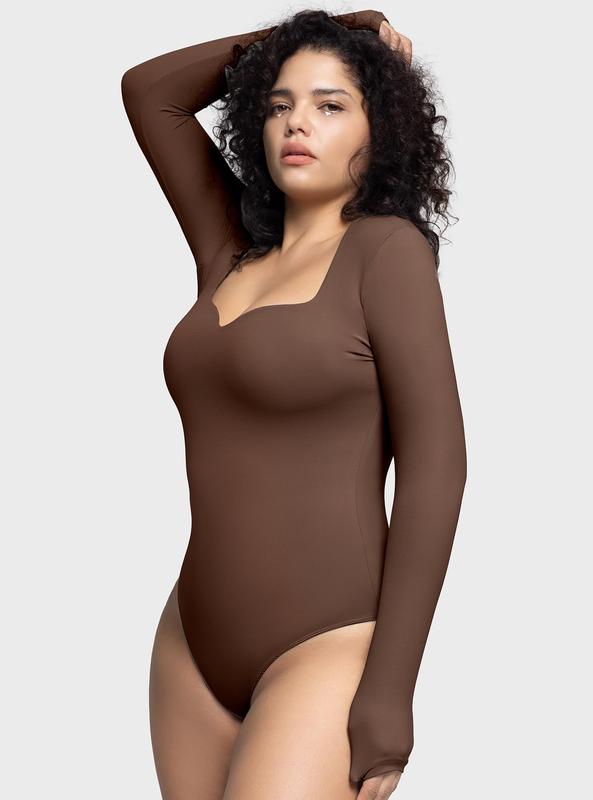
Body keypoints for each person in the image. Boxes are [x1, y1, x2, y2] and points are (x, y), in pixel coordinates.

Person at [121, 8, 467, 799]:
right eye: (278, 103)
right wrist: (332, 27)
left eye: (330, 104)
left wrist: (390, 690)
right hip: (190, 644)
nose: (296, 123)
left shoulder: (385, 252)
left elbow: (435, 469)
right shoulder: (229, 250)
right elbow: (149, 93)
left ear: (382, 126)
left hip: (326, 643)